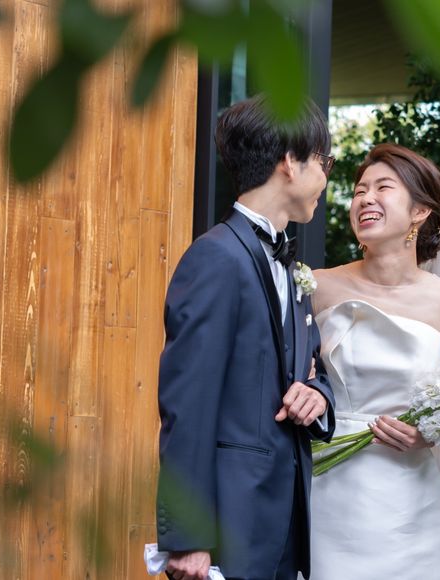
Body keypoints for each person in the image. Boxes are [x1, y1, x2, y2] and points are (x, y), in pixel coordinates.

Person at [155, 95, 336, 580]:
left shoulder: (294, 270)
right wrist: (188, 537)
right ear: (289, 162)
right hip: (232, 525)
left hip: (283, 521)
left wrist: (317, 395)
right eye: (323, 162)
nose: (326, 178)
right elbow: (187, 403)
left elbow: (312, 367)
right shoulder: (216, 257)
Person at [309, 143, 440, 579]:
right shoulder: (316, 287)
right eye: (359, 191)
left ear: (420, 212)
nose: (365, 199)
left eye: (382, 188)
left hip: (411, 499)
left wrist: (429, 434)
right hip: (328, 487)